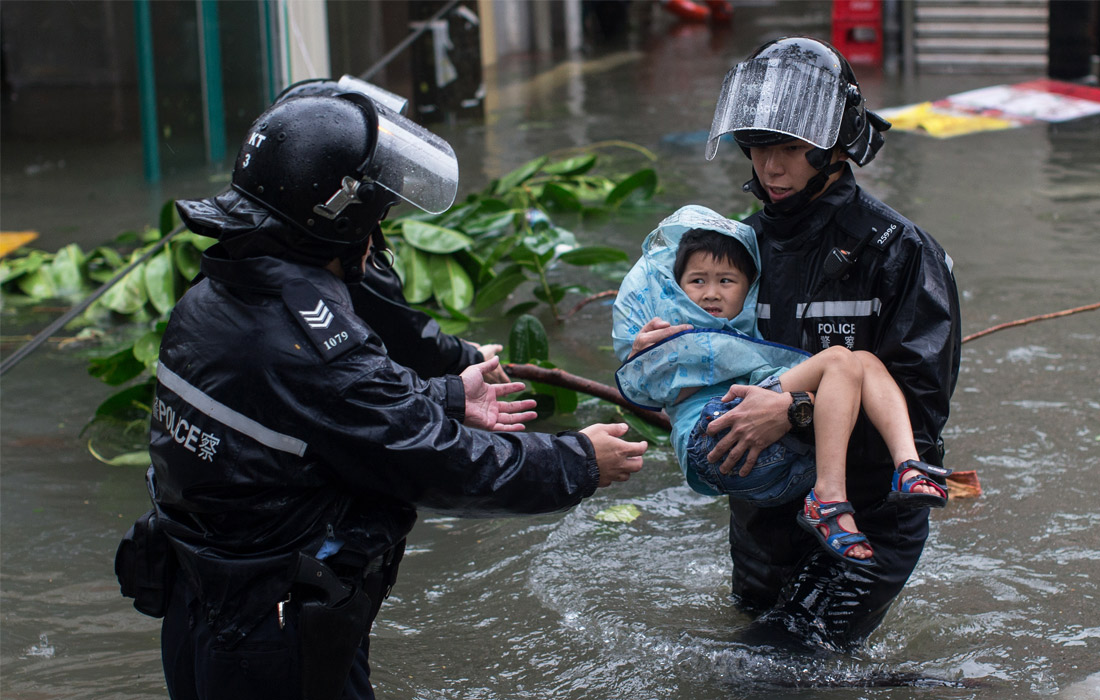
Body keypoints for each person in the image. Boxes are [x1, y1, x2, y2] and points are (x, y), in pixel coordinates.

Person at [126, 92, 647, 700]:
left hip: (203, 606)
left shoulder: (211, 299)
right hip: (275, 635)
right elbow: (433, 459)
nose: (377, 239)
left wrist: (449, 396)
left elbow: (312, 420)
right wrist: (578, 461)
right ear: (339, 221)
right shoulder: (311, 343)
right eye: (374, 220)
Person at [640, 36, 960, 649]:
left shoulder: (899, 252)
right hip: (762, 519)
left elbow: (918, 420)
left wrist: (792, 412)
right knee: (752, 658)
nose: (770, 168)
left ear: (836, 147)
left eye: (789, 149)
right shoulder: (737, 250)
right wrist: (666, 354)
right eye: (757, 148)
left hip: (863, 524)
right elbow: (708, 367)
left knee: (763, 673)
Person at [613, 208, 951, 565]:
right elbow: (660, 390)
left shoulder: (749, 331)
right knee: (839, 359)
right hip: (713, 440)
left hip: (776, 459)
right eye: (698, 281)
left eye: (726, 281)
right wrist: (651, 356)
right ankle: (827, 496)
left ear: (750, 288)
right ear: (679, 288)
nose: (711, 293)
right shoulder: (675, 335)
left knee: (863, 360)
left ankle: (910, 466)